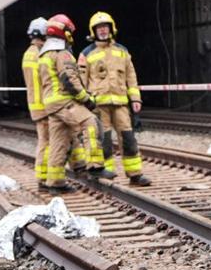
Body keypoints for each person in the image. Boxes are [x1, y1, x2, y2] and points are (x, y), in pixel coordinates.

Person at [79, 12, 151, 186]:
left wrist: (135, 99)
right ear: (93, 31)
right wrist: (84, 102)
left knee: (128, 138)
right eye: (99, 28)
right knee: (104, 141)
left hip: (120, 103)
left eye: (105, 27)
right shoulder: (86, 54)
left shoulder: (122, 51)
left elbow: (131, 76)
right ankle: (106, 174)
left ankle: (135, 174)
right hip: (98, 105)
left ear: (111, 29)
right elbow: (80, 80)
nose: (102, 31)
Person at [37, 13, 106, 190]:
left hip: (52, 105)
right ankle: (96, 166)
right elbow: (69, 80)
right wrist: (86, 99)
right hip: (64, 102)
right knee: (91, 123)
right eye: (69, 31)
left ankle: (55, 182)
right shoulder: (62, 54)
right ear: (63, 32)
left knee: (58, 143)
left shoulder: (43, 54)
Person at [21, 17, 51, 190]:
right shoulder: (38, 55)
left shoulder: (29, 53)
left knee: (44, 142)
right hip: (43, 106)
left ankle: (44, 176)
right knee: (45, 143)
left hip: (36, 105)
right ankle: (43, 178)